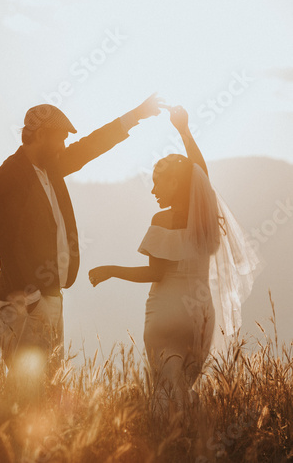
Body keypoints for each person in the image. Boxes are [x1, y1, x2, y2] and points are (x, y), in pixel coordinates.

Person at [0, 94, 163, 401]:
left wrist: (136, 115)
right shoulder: (6, 179)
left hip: (52, 294)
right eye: (60, 140)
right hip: (25, 301)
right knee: (22, 387)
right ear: (40, 136)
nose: (65, 147)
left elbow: (91, 146)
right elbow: (7, 243)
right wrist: (31, 296)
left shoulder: (50, 166)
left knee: (49, 382)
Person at [89, 105, 260, 414]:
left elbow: (155, 272)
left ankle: (168, 439)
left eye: (158, 181)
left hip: (166, 315)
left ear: (177, 183)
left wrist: (110, 270)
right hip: (200, 315)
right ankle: (191, 436)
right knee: (182, 385)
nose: (153, 189)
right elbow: (201, 176)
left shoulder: (163, 220)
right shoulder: (206, 220)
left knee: (165, 388)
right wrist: (184, 130)